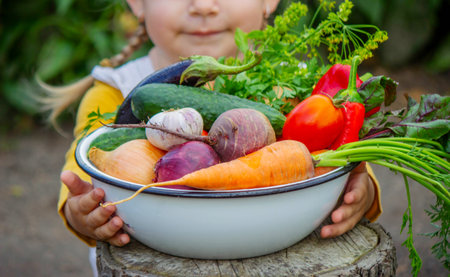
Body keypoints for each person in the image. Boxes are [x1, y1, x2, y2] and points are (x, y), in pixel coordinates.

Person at [41, 0, 382, 275]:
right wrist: (82, 213)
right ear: (137, 3)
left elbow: (337, 157)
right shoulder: (114, 92)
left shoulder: (295, 89)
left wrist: (360, 191)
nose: (203, 5)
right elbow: (84, 178)